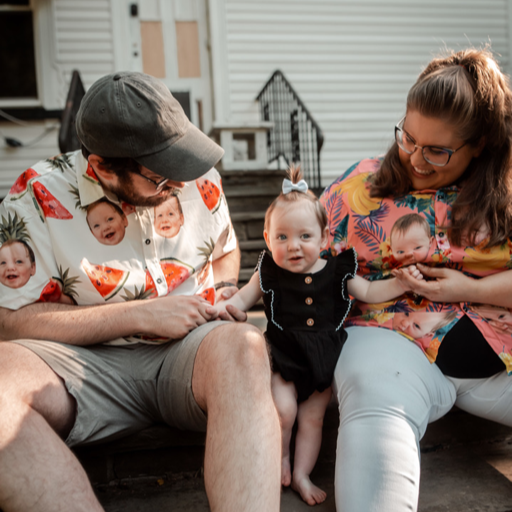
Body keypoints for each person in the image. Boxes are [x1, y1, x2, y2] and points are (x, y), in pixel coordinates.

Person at [0, 72, 281, 512]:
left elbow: (224, 249)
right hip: (80, 365)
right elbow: (10, 319)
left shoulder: (195, 176)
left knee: (247, 348)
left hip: (192, 353)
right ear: (102, 169)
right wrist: (138, 315)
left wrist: (225, 289)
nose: (180, 184)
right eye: (159, 178)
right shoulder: (36, 194)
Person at [320, 46, 512, 511]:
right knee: (372, 388)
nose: (416, 158)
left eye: (437, 150)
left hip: (499, 358)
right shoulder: (357, 191)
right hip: (396, 345)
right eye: (407, 138)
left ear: (480, 144)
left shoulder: (504, 193)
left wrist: (470, 288)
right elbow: (307, 261)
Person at [217, 167, 422, 506]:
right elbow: (241, 298)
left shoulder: (336, 271)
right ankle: (280, 458)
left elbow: (369, 291)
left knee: (313, 418)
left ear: (324, 238)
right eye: (281, 237)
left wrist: (402, 283)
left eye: (304, 237)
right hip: (282, 355)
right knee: (283, 411)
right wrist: (229, 309)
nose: (293, 246)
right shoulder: (268, 271)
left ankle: (301, 474)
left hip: (323, 358)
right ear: (268, 240)